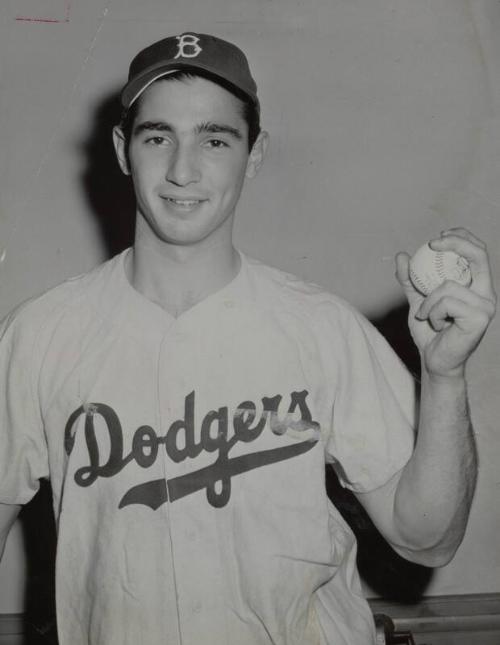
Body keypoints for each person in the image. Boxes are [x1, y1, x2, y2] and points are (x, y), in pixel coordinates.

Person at [0, 32, 496, 645]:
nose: (183, 169)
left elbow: (428, 539)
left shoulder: (324, 328)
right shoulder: (40, 335)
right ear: (123, 150)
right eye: (159, 137)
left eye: (215, 139)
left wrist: (445, 377)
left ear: (254, 154)